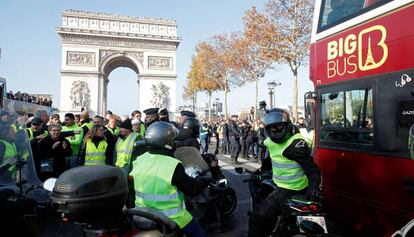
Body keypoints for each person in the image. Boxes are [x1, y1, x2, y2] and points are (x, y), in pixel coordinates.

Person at [248, 108, 321, 237]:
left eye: (279, 126)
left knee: (256, 218)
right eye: (272, 128)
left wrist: (314, 186)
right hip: (287, 186)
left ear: (287, 125)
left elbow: (312, 168)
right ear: (267, 129)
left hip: (289, 188)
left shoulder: (296, 144)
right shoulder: (270, 142)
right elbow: (272, 157)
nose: (276, 130)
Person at [130, 122, 210, 237]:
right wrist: (204, 180)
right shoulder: (173, 164)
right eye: (172, 139)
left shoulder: (139, 160)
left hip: (143, 215)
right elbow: (192, 189)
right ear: (167, 142)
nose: (174, 142)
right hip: (171, 218)